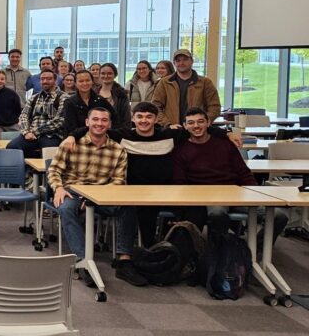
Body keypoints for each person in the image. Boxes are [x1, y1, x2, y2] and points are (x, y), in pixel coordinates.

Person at [61, 102, 239, 247]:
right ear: (133, 118)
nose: (144, 120)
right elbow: (96, 128)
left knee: (193, 210)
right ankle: (149, 250)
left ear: (155, 119)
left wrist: (227, 133)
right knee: (144, 211)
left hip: (166, 189)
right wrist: (71, 136)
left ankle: (188, 252)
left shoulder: (170, 135)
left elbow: (198, 127)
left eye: (148, 117)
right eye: (139, 116)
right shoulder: (123, 136)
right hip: (135, 190)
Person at [48, 107, 142, 287]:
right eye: (95, 119)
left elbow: (118, 181)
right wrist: (58, 188)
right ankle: (83, 261)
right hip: (72, 191)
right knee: (67, 209)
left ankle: (124, 259)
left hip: (102, 194)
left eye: (104, 120)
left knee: (128, 205)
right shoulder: (70, 144)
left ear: (110, 124)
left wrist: (94, 196)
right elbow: (54, 170)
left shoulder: (118, 150)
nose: (99, 123)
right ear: (87, 122)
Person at [174, 108, 287, 243]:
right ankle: (217, 254)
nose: (196, 126)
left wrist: (255, 192)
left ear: (208, 123)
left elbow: (243, 172)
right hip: (207, 196)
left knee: (279, 216)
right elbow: (180, 182)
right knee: (217, 213)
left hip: (235, 193)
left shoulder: (225, 144)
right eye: (191, 123)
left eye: (200, 121)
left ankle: (255, 249)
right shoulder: (181, 150)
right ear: (185, 126)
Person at [151, 49, 221, 126]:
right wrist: (167, 124)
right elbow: (155, 106)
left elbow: (214, 106)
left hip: (198, 130)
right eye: (178, 60)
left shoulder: (205, 82)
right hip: (172, 130)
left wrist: (203, 122)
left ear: (192, 61)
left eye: (185, 60)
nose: (181, 63)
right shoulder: (164, 83)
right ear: (174, 63)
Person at [7, 70, 65, 158]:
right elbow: (23, 116)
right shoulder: (34, 97)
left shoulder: (63, 97)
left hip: (52, 135)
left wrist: (35, 131)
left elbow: (59, 121)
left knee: (48, 154)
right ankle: (27, 170)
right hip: (30, 135)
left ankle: (42, 171)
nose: (45, 81)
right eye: (42, 79)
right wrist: (26, 132)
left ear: (55, 81)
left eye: (48, 79)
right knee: (12, 147)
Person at [61, 70, 114, 137]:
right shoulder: (70, 102)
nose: (85, 83)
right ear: (75, 83)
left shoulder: (101, 100)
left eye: (87, 80)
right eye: (81, 81)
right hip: (77, 138)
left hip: (101, 137)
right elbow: (70, 128)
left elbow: (114, 118)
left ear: (92, 82)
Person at [97, 63, 132, 131]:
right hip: (96, 132)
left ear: (115, 75)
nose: (106, 76)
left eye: (110, 73)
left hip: (116, 133)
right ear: (99, 75)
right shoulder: (93, 93)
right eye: (103, 73)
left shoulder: (121, 94)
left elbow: (126, 118)